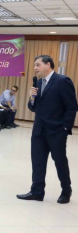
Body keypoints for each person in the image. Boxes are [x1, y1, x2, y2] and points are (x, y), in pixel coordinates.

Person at [17, 55, 78, 204]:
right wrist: (32, 98)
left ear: (48, 64)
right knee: (38, 161)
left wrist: (65, 127)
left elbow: (72, 106)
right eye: (34, 65)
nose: (35, 68)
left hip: (57, 130)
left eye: (38, 64)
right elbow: (33, 107)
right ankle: (37, 192)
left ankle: (66, 190)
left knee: (59, 161)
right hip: (39, 130)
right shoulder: (38, 82)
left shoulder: (63, 81)